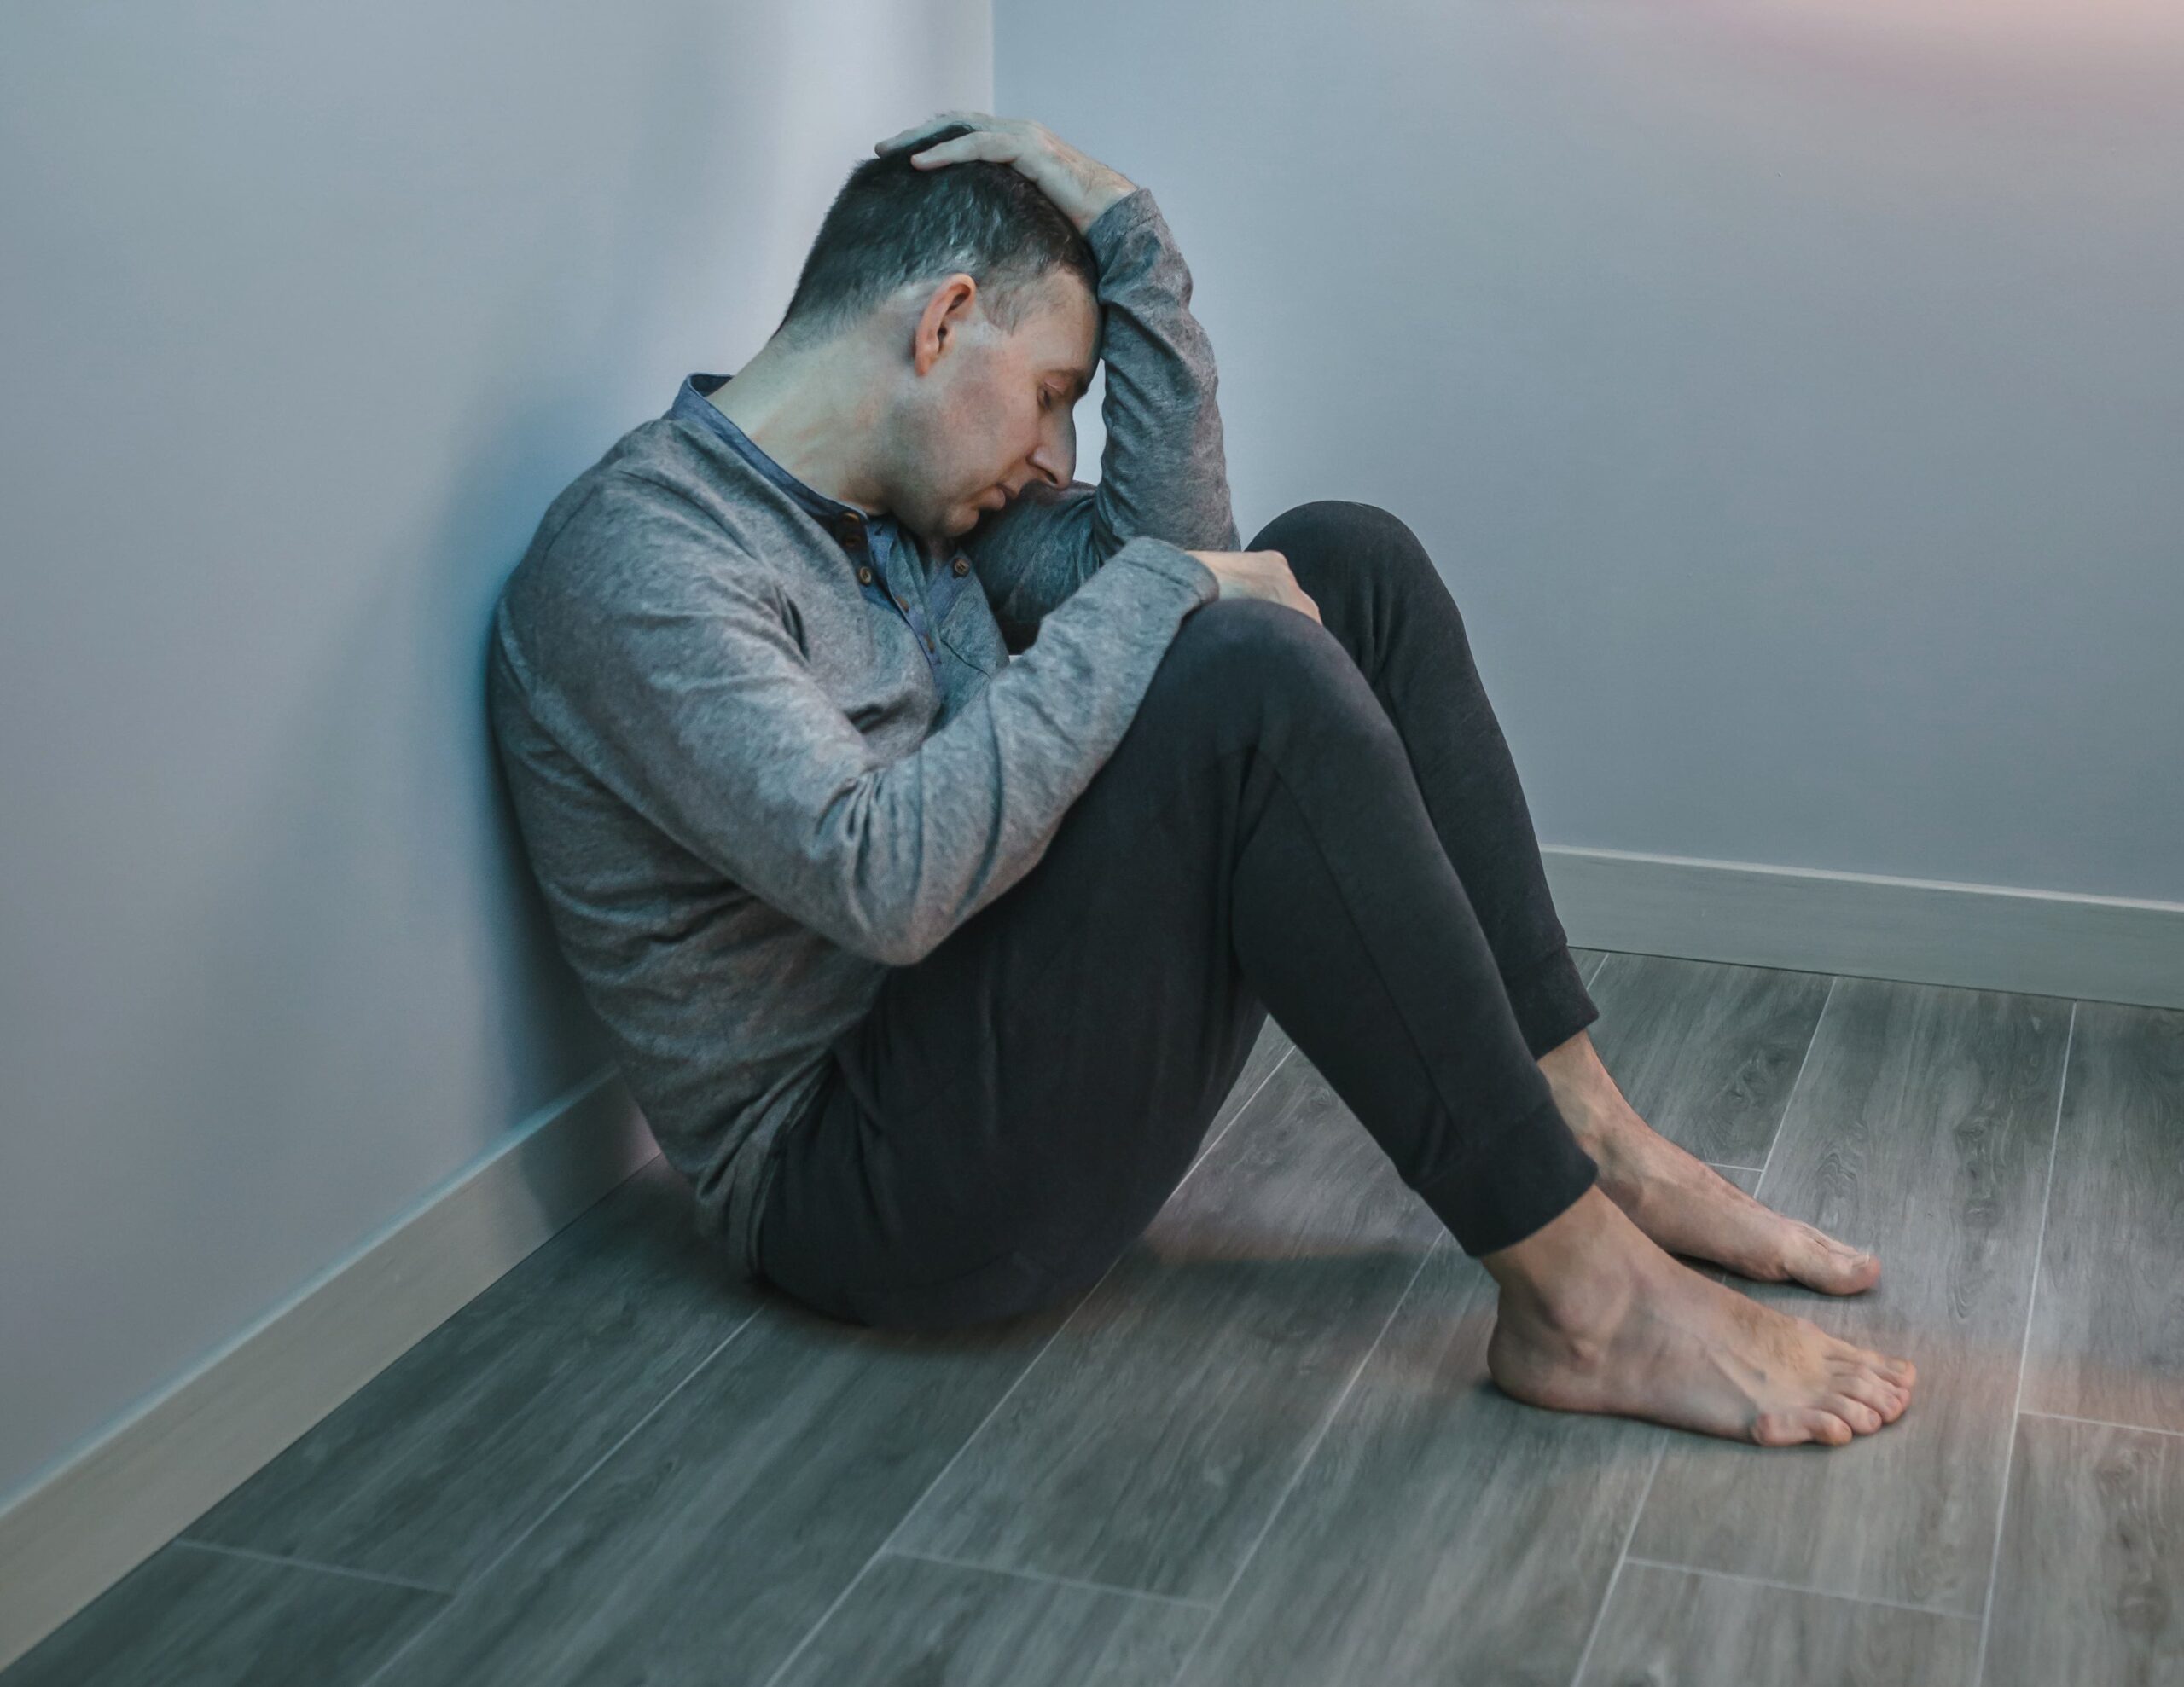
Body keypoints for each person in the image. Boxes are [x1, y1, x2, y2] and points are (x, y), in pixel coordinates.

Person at [487, 112, 1915, 1449]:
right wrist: (1162, 589)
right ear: (940, 325)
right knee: (1239, 674)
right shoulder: (647, 561)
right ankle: (1587, 1304)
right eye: (1050, 395)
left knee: (1350, 564)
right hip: (863, 1185)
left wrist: (1134, 247)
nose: (1050, 453)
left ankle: (1586, 1130)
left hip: (998, 1036)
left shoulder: (910, 513)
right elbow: (884, 878)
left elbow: (1199, 571)